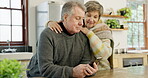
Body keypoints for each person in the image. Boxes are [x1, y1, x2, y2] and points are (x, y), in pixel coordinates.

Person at [27, 1, 98, 78]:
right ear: (65, 17)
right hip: (39, 76)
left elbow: (85, 63)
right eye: (77, 18)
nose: (81, 23)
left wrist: (89, 70)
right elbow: (46, 69)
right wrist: (72, 72)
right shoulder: (48, 34)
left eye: (82, 19)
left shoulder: (83, 37)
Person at [47, 1, 114, 70]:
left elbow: (104, 54)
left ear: (99, 18)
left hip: (101, 70)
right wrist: (50, 23)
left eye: (95, 17)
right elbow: (63, 23)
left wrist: (89, 33)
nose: (91, 19)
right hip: (80, 70)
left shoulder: (103, 30)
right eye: (88, 15)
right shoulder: (77, 27)